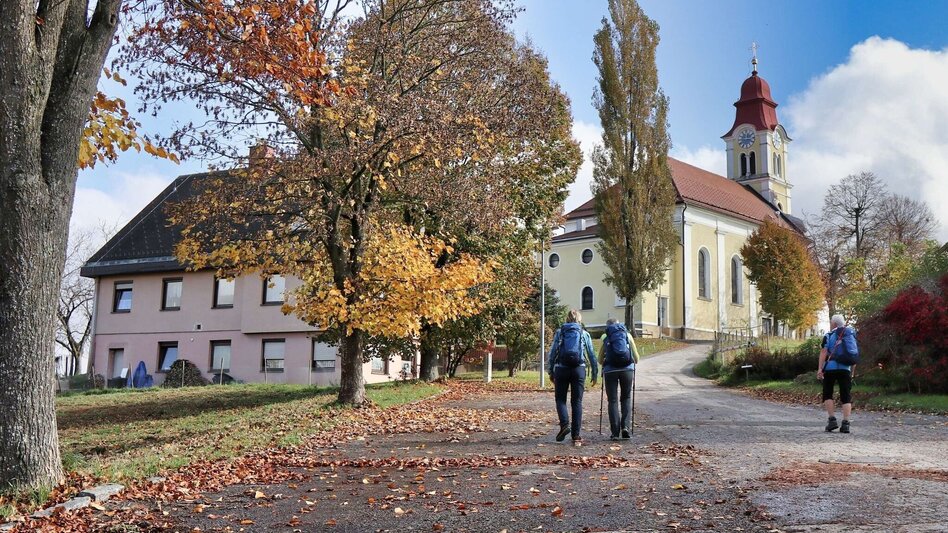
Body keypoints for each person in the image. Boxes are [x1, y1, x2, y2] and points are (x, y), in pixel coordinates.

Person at [547, 309, 598, 447]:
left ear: (567, 319)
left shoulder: (560, 333)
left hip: (561, 369)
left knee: (560, 399)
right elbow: (591, 355)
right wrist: (594, 374)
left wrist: (550, 371)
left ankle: (564, 425)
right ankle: (576, 435)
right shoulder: (584, 333)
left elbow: (552, 353)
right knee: (577, 401)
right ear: (579, 320)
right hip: (578, 369)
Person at [599, 318, 641, 440]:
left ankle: (615, 433)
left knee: (612, 401)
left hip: (610, 371)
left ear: (607, 327)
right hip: (627, 370)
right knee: (626, 398)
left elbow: (600, 359)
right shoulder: (627, 335)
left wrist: (605, 361)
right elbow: (636, 358)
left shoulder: (605, 337)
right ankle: (625, 427)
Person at [818, 314, 859, 433]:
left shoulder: (828, 335)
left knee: (828, 393)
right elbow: (853, 355)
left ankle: (832, 420)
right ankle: (846, 423)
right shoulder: (850, 335)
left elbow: (824, 352)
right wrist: (852, 371)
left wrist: (820, 369)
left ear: (834, 324)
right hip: (845, 368)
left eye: (831, 322)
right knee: (846, 395)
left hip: (830, 368)